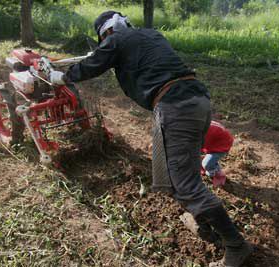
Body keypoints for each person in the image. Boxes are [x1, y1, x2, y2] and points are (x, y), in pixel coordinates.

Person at [49, 11, 252, 267]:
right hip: (195, 100)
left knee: (186, 183)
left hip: (175, 106)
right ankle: (203, 223)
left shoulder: (116, 39)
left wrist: (63, 76)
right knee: (172, 174)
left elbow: (93, 65)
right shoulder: (151, 35)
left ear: (107, 32)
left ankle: (236, 245)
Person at [201, 120, 234, 188]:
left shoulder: (205, 131)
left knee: (206, 164)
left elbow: (197, 147)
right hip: (216, 141)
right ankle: (212, 165)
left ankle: (218, 175)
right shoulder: (202, 123)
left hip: (222, 145)